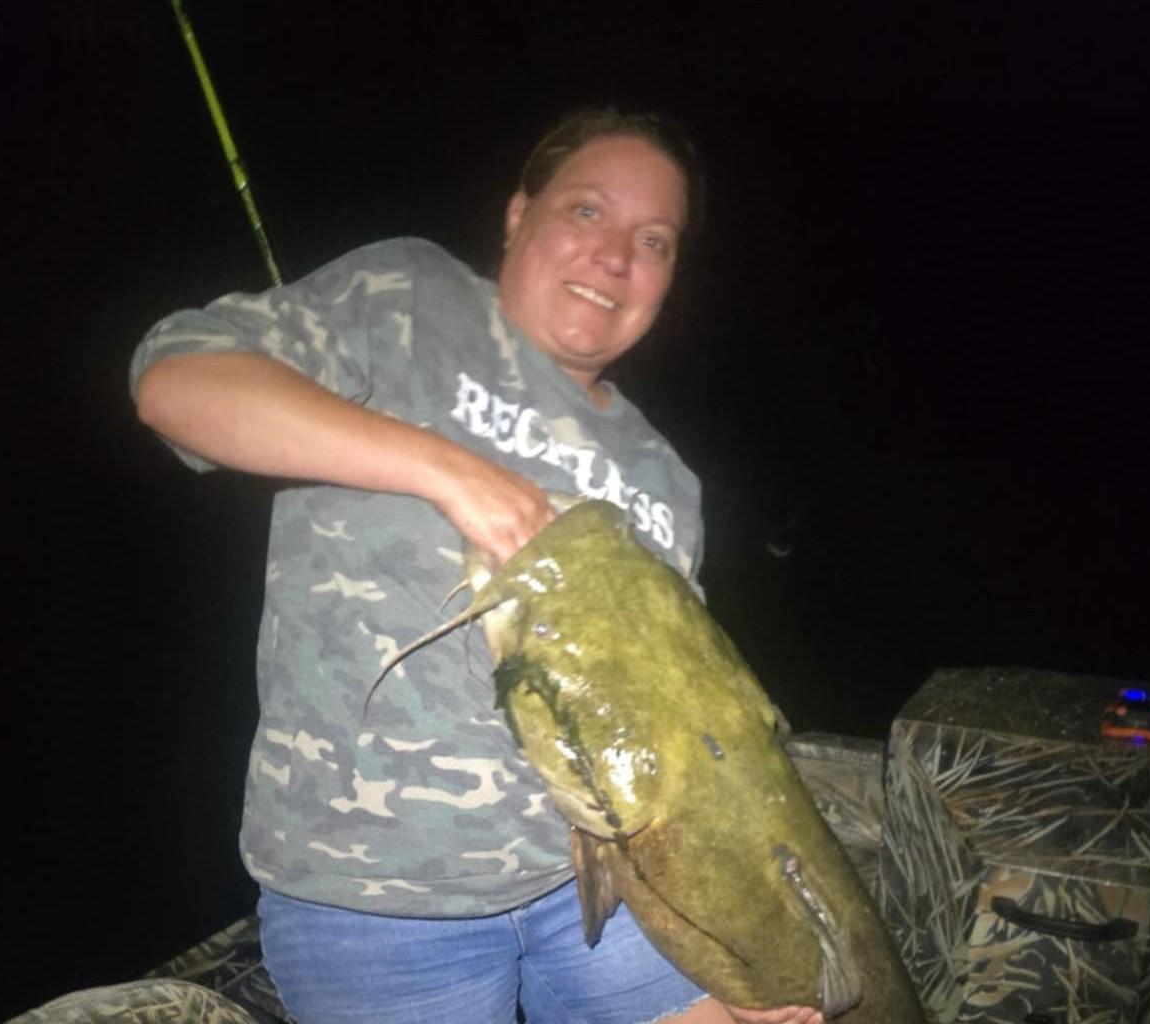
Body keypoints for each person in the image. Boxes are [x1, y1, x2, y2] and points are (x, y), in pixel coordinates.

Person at [131, 107, 822, 1024]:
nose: (616, 255)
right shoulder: (407, 297)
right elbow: (175, 384)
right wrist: (447, 470)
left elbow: (669, 740)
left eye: (653, 240)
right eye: (587, 212)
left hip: (600, 879)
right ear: (516, 215)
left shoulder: (667, 477)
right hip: (375, 903)